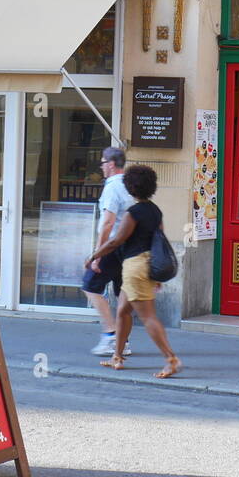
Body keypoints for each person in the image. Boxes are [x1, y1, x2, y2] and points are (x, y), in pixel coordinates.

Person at [86, 164, 182, 379]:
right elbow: (160, 240)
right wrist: (155, 276)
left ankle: (171, 359)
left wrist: (93, 256)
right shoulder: (155, 211)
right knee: (122, 311)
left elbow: (116, 241)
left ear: (130, 187)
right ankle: (117, 357)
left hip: (135, 266)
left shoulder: (133, 213)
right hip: (147, 265)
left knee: (148, 317)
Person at [82, 147, 134, 356]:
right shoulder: (129, 185)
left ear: (111, 164)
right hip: (128, 246)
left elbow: (107, 223)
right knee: (122, 293)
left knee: (90, 286)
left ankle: (112, 334)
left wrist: (97, 254)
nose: (102, 167)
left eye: (103, 162)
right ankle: (123, 340)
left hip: (112, 246)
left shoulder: (112, 187)